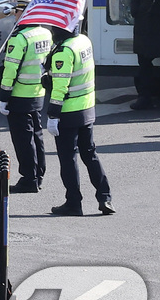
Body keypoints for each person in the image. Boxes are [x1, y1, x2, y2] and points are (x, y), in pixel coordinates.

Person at [44, 26, 114, 215]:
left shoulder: (64, 52)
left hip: (68, 113)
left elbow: (60, 89)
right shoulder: (83, 41)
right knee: (90, 154)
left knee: (68, 159)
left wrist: (52, 115)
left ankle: (73, 203)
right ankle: (105, 198)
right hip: (87, 108)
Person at [0, 18, 54, 192]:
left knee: (23, 139)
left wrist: (4, 96)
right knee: (37, 135)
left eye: (17, 11)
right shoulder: (46, 33)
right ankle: (38, 175)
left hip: (19, 94)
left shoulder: (19, 38)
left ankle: (29, 179)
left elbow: (10, 70)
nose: (14, 15)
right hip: (38, 92)